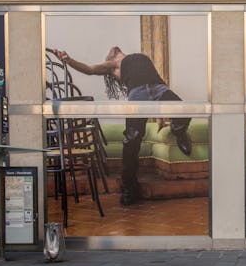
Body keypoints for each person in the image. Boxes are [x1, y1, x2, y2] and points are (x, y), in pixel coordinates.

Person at [50, 46, 192, 205]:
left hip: (160, 88)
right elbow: (89, 69)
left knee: (185, 109)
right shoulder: (114, 64)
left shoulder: (139, 58)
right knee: (131, 141)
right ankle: (129, 188)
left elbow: (155, 81)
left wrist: (160, 116)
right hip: (138, 95)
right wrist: (69, 60)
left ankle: (178, 131)